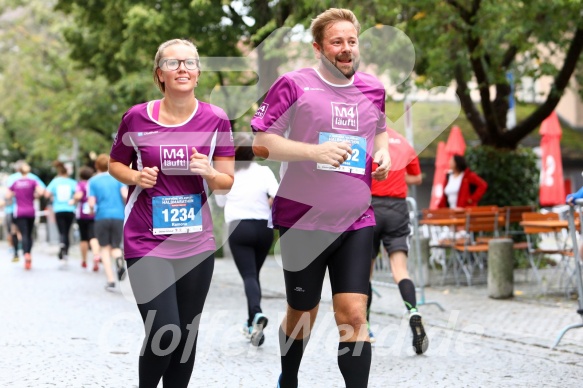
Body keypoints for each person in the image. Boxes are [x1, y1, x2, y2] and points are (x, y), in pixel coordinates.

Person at [251, 9, 390, 388]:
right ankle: (289, 378)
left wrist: (384, 154)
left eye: (351, 41)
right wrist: (314, 152)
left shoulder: (373, 89)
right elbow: (262, 143)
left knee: (354, 314)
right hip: (302, 221)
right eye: (336, 42)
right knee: (302, 312)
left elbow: (378, 130)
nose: (346, 49)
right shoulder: (293, 85)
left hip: (355, 218)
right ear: (318, 47)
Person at [108, 38, 234, 388]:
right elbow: (114, 164)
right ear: (159, 74)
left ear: (198, 73)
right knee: (165, 329)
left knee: (186, 336)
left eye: (190, 62)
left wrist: (208, 172)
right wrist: (135, 176)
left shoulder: (216, 119)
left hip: (196, 242)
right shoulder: (136, 117)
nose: (182, 68)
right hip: (145, 239)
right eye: (173, 63)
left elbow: (225, 182)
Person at [215, 132, 279, 347]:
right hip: (263, 228)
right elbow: (277, 195)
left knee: (249, 276)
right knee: (253, 275)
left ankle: (256, 314)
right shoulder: (264, 171)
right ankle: (252, 322)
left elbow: (221, 202)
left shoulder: (227, 173)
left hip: (239, 229)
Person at [367, 128, 428, 354]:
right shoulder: (404, 143)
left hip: (370, 206)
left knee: (366, 273)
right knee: (400, 269)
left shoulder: (365, 140)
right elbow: (417, 178)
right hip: (398, 208)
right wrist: (397, 175)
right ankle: (413, 311)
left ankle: (366, 328)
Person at [87, 154, 127, 291]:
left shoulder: (93, 181)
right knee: (116, 246)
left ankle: (110, 280)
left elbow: (91, 202)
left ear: (97, 166)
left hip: (101, 216)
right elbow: (125, 195)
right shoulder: (117, 177)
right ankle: (119, 263)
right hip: (118, 215)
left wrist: (92, 210)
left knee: (104, 247)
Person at [5, 162, 46, 270]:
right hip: (31, 211)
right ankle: (28, 253)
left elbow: (7, 195)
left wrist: (17, 194)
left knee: (21, 233)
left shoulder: (15, 181)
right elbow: (41, 192)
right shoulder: (33, 180)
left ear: (18, 170)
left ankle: (21, 253)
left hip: (18, 211)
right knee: (29, 233)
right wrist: (34, 196)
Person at [45, 161, 78, 265]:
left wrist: (52, 197)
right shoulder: (72, 182)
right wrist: (73, 200)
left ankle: (62, 244)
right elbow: (78, 193)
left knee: (61, 231)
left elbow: (46, 194)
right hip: (69, 209)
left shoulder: (55, 182)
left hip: (58, 209)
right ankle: (66, 253)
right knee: (67, 231)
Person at [73, 166, 101, 271]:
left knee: (84, 238)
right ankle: (96, 255)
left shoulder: (80, 184)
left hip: (82, 214)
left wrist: (73, 199)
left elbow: (78, 196)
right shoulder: (94, 184)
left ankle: (84, 260)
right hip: (94, 213)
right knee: (93, 236)